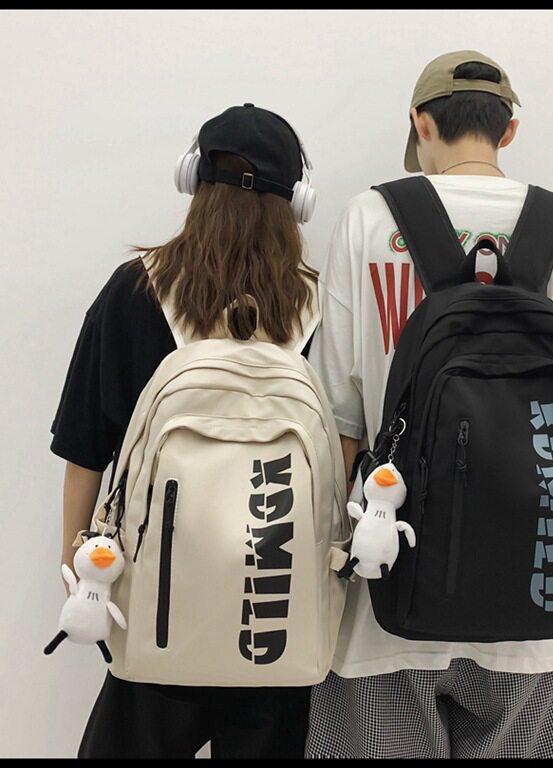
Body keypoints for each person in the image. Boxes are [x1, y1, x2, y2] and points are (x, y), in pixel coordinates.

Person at [305, 50, 553, 759]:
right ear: (508, 130)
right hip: (540, 609)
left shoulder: (369, 221)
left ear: (420, 123)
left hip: (386, 603)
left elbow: (338, 426)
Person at [50, 103, 319, 758]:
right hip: (274, 611)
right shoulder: (315, 304)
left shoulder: (136, 290)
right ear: (297, 203)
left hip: (158, 602)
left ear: (192, 178)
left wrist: (75, 564)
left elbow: (85, 448)